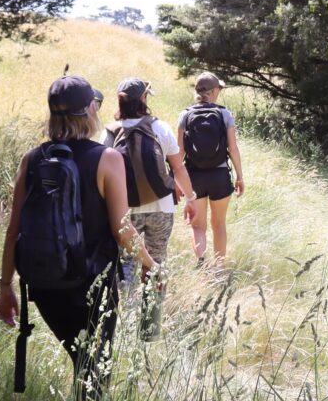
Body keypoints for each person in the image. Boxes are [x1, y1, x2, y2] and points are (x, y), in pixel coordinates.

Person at [0, 74, 156, 401]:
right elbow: (122, 230)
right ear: (91, 111)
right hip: (92, 288)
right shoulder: (107, 159)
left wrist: (5, 287)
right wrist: (150, 264)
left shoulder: (32, 159)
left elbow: (13, 229)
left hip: (45, 284)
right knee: (94, 370)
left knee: (83, 361)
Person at [103, 78, 197, 339]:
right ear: (143, 99)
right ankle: (150, 330)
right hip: (161, 208)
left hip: (125, 211)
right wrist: (190, 198)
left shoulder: (110, 132)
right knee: (156, 263)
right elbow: (178, 168)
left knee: (126, 265)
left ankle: (126, 327)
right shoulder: (160, 128)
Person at [177, 72, 245, 265]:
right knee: (219, 224)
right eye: (219, 89)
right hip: (219, 175)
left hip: (194, 177)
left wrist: (177, 181)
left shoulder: (185, 115)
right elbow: (233, 148)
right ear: (214, 91)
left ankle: (202, 263)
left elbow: (179, 152)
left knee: (198, 226)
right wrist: (239, 176)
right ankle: (219, 269)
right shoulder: (224, 114)